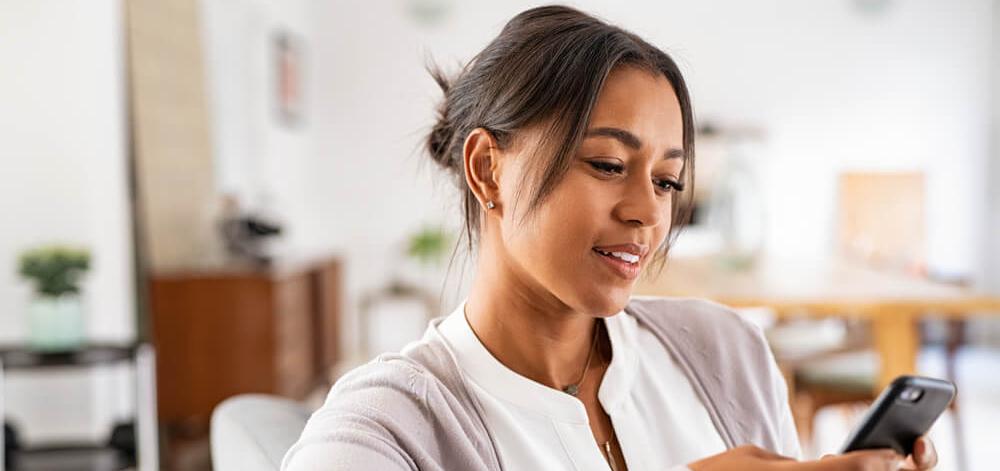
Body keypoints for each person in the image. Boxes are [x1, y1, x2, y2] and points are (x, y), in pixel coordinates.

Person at [282, 5, 938, 470]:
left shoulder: (725, 351)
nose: (647, 214)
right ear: (488, 169)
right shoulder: (389, 424)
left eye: (667, 181)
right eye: (607, 165)